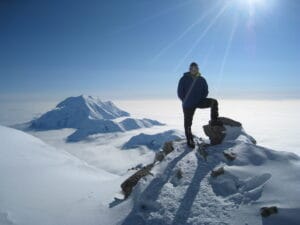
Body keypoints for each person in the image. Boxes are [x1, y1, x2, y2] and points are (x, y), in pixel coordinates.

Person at [177, 62, 222, 148]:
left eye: (195, 68)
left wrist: (200, 98)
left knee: (214, 102)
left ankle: (214, 121)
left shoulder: (202, 79)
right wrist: (186, 100)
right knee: (188, 123)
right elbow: (180, 93)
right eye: (192, 68)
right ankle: (189, 140)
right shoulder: (184, 79)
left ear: (198, 69)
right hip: (188, 105)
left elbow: (206, 91)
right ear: (189, 69)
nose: (194, 70)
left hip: (199, 101)